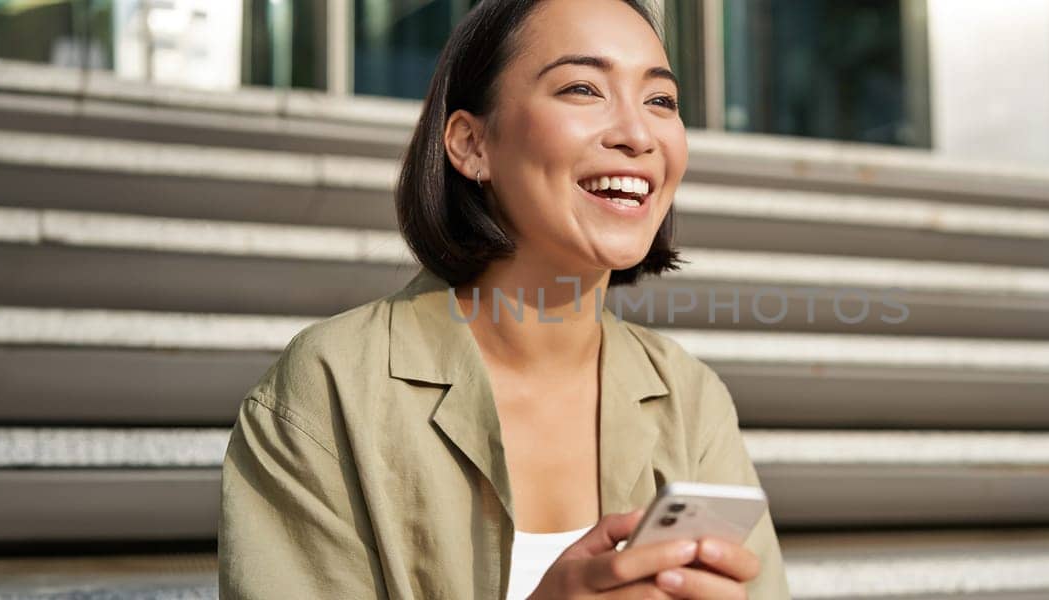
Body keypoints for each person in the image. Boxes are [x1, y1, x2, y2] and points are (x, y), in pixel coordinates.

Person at [217, 0, 792, 598]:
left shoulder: (689, 398)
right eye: (582, 88)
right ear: (471, 144)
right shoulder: (330, 388)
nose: (638, 135)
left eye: (661, 101)